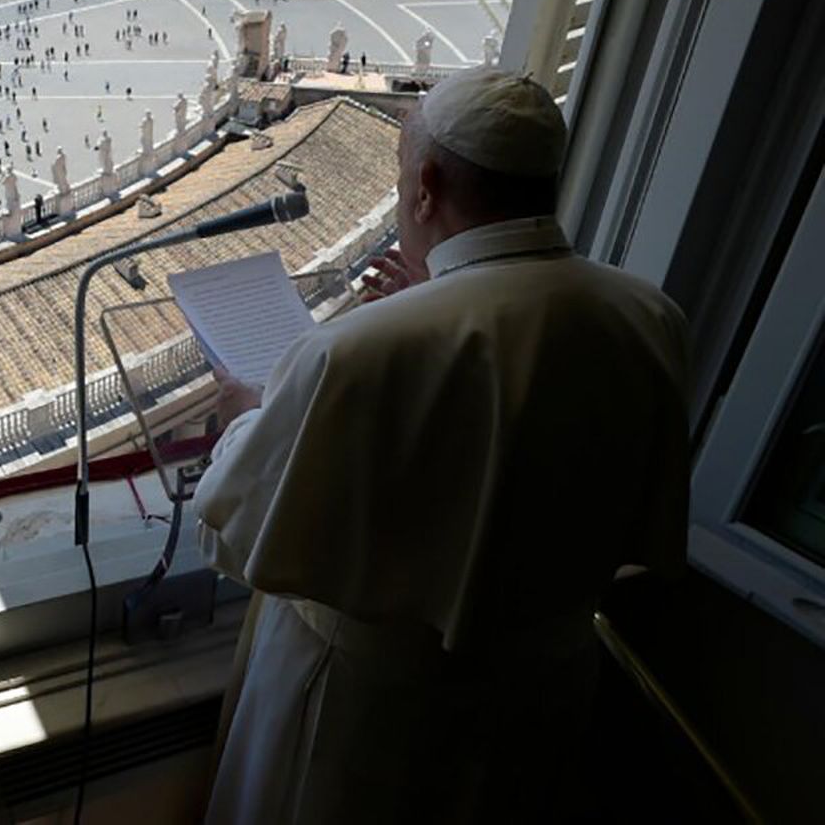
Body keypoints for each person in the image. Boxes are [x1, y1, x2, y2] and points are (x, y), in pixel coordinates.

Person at [197, 68, 691, 824]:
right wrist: (428, 304)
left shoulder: (352, 352)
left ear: (425, 184)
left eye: (401, 180)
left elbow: (237, 532)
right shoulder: (650, 315)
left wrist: (242, 414)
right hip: (548, 698)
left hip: (370, 718)